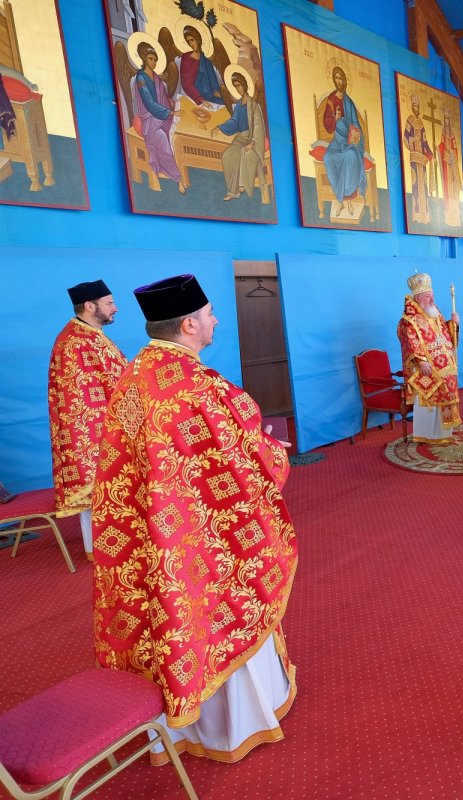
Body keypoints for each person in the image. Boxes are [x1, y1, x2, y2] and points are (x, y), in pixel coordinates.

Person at [92, 274, 297, 764]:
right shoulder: (199, 387)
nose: (215, 320)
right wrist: (273, 451)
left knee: (172, 616)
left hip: (152, 535)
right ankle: (238, 724)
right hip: (204, 539)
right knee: (219, 607)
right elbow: (245, 464)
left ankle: (180, 726)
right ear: (189, 324)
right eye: (209, 313)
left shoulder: (134, 376)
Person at [48, 280, 127, 558]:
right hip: (93, 429)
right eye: (109, 303)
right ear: (89, 306)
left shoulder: (92, 334)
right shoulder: (73, 342)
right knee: (96, 488)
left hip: (113, 422)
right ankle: (100, 550)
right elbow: (79, 399)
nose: (115, 308)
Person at [398, 272, 461, 444]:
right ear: (418, 297)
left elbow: (446, 334)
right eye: (428, 296)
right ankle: (428, 435)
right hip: (426, 368)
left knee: (447, 392)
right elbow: (409, 342)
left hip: (445, 366)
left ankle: (444, 434)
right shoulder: (408, 320)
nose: (432, 299)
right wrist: (421, 361)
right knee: (430, 399)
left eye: (432, 295)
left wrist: (453, 324)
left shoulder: (435, 313)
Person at [131, 41, 187, 193]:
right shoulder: (141, 78)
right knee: (163, 140)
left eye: (155, 59)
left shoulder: (156, 77)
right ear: (143, 58)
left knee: (179, 133)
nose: (154, 62)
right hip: (149, 120)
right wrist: (170, 112)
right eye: (150, 58)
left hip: (163, 116)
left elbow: (161, 95)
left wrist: (169, 102)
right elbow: (149, 102)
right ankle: (178, 179)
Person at [319, 66, 368, 218]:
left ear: (345, 81)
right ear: (334, 80)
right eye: (336, 78)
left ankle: (345, 201)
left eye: (341, 78)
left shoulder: (349, 103)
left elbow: (356, 124)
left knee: (349, 157)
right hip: (337, 141)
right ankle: (340, 198)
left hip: (350, 142)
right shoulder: (331, 101)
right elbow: (327, 124)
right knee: (328, 157)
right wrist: (335, 119)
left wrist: (355, 137)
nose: (339, 81)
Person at [214, 68, 266, 202]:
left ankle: (239, 186)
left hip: (252, 138)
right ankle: (233, 190)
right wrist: (220, 127)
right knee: (227, 155)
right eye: (235, 86)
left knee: (244, 153)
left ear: (244, 85)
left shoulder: (253, 105)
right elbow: (234, 122)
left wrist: (253, 142)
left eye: (239, 85)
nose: (237, 89)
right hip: (240, 138)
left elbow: (258, 126)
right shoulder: (237, 106)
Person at [174, 24, 223, 108]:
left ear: (198, 39)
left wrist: (216, 91)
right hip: (195, 97)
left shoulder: (207, 62)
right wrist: (200, 99)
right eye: (188, 41)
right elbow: (186, 83)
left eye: (192, 40)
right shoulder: (187, 58)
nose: (190, 44)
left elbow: (214, 83)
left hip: (210, 97)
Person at [403, 93, 434, 225]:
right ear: (412, 106)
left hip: (422, 160)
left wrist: (430, 154)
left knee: (424, 186)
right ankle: (416, 213)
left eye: (417, 105)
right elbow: (405, 136)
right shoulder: (409, 120)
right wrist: (413, 145)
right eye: (414, 105)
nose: (416, 107)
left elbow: (425, 141)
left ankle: (425, 214)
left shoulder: (421, 124)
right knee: (415, 184)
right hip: (415, 158)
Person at [438, 108, 463, 227]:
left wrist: (452, 155)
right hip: (446, 167)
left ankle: (456, 216)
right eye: (445, 118)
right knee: (447, 190)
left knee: (454, 191)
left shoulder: (452, 134)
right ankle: (448, 216)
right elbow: (442, 147)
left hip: (453, 167)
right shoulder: (443, 133)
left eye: (448, 118)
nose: (447, 120)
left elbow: (455, 151)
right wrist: (440, 150)